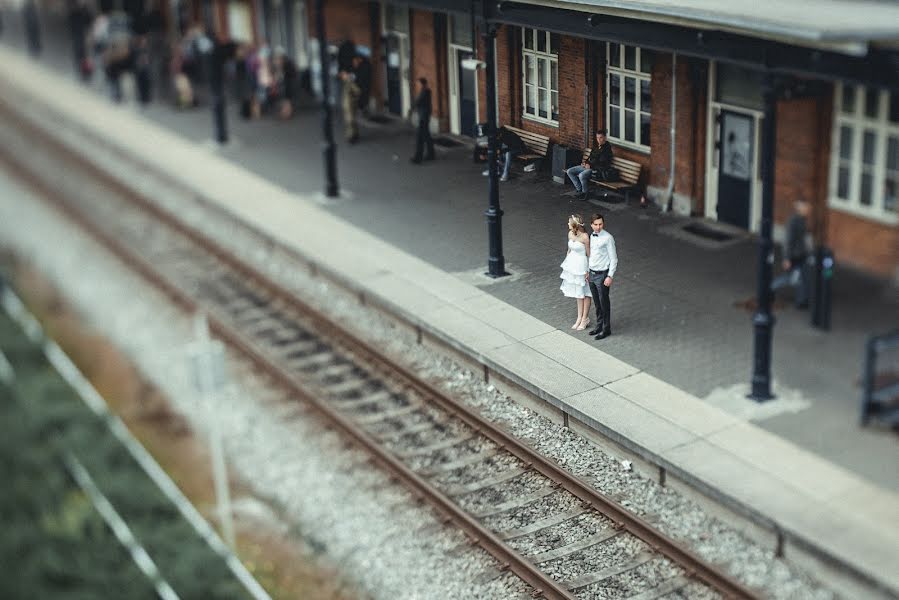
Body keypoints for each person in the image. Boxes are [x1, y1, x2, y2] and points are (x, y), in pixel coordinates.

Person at [772, 199, 811, 309]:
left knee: (802, 277)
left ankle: (802, 301)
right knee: (791, 278)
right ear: (799, 208)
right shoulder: (793, 221)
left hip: (801, 255)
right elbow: (788, 241)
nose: (808, 210)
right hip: (794, 256)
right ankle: (769, 289)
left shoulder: (802, 220)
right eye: (806, 207)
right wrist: (786, 258)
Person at [586, 213, 617, 340]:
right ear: (591, 225)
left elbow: (614, 259)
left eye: (600, 224)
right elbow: (590, 255)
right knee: (597, 303)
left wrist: (610, 276)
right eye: (596, 224)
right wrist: (587, 271)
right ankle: (599, 326)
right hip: (592, 274)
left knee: (604, 303)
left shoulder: (608, 238)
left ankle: (606, 329)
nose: (598, 227)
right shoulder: (591, 236)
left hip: (603, 275)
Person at [559, 214, 592, 330]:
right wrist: (567, 264)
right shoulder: (570, 234)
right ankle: (579, 317)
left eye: (569, 222)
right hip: (573, 266)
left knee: (586, 292)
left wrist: (588, 270)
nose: (567, 224)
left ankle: (585, 318)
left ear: (574, 224)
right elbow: (569, 250)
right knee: (578, 292)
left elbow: (589, 254)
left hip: (582, 265)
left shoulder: (585, 237)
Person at [565, 130, 614, 200]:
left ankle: (585, 193)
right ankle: (579, 190)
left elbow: (602, 163)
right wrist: (585, 163)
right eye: (597, 138)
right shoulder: (596, 147)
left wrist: (590, 166)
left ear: (605, 138)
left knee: (582, 175)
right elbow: (590, 157)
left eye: (601, 138)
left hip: (597, 170)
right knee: (570, 171)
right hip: (588, 166)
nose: (599, 140)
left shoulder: (606, 149)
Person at [410, 77, 434, 164]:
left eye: (418, 84)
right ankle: (431, 154)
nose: (417, 85)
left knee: (419, 138)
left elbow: (417, 102)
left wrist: (413, 106)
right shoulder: (425, 92)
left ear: (422, 84)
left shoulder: (425, 92)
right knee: (427, 135)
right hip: (424, 116)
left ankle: (418, 157)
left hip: (423, 118)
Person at [340, 68, 361, 143]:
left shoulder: (350, 82)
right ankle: (355, 134)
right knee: (350, 121)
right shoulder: (345, 82)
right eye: (341, 75)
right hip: (346, 106)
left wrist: (353, 100)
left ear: (346, 75)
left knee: (350, 121)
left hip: (350, 105)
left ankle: (351, 137)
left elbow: (358, 91)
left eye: (343, 75)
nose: (342, 76)